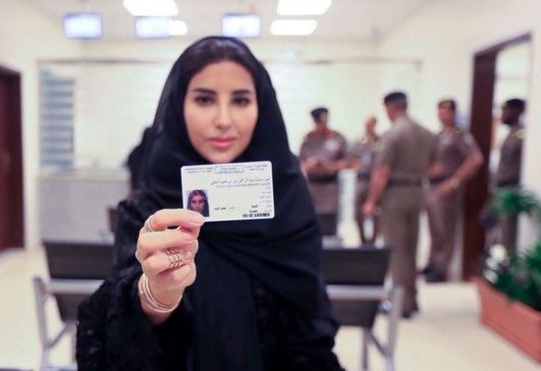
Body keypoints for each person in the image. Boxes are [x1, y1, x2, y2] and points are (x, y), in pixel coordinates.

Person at [76, 36, 344, 371]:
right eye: (204, 99)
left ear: (262, 107)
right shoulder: (149, 208)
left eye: (241, 100)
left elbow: (310, 320)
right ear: (178, 106)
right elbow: (117, 339)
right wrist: (156, 293)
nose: (223, 119)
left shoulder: (288, 197)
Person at [362, 91, 440, 318]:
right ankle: (412, 298)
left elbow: (382, 172)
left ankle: (400, 304)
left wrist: (371, 201)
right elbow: (436, 168)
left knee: (396, 249)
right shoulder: (426, 133)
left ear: (391, 107)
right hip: (418, 191)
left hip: (395, 194)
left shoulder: (393, 135)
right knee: (412, 247)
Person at [422, 99, 483, 283]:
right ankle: (432, 263)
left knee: (445, 229)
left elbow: (475, 159)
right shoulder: (439, 135)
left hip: (446, 187)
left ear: (454, 113)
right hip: (432, 186)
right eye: (439, 111)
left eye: (446, 112)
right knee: (434, 229)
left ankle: (442, 268)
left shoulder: (459, 134)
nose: (442, 115)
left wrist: (455, 181)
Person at [299, 107, 348, 235]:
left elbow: (347, 162)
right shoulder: (308, 139)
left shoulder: (337, 138)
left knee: (330, 222)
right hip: (313, 186)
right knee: (311, 221)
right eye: (319, 122)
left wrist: (331, 166)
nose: (322, 125)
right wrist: (310, 165)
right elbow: (300, 162)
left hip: (330, 186)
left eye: (324, 121)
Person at [495, 98, 526, 251]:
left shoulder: (522, 135)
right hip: (502, 189)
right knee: (501, 235)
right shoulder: (511, 134)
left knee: (509, 235)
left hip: (511, 188)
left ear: (517, 111)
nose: (502, 114)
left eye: (505, 110)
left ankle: (511, 269)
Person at [350, 116, 380, 244]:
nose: (369, 126)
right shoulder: (359, 141)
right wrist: (355, 165)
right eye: (367, 124)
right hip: (361, 179)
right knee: (358, 209)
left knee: (377, 211)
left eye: (371, 124)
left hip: (374, 180)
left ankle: (373, 239)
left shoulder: (381, 141)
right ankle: (362, 239)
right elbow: (351, 158)